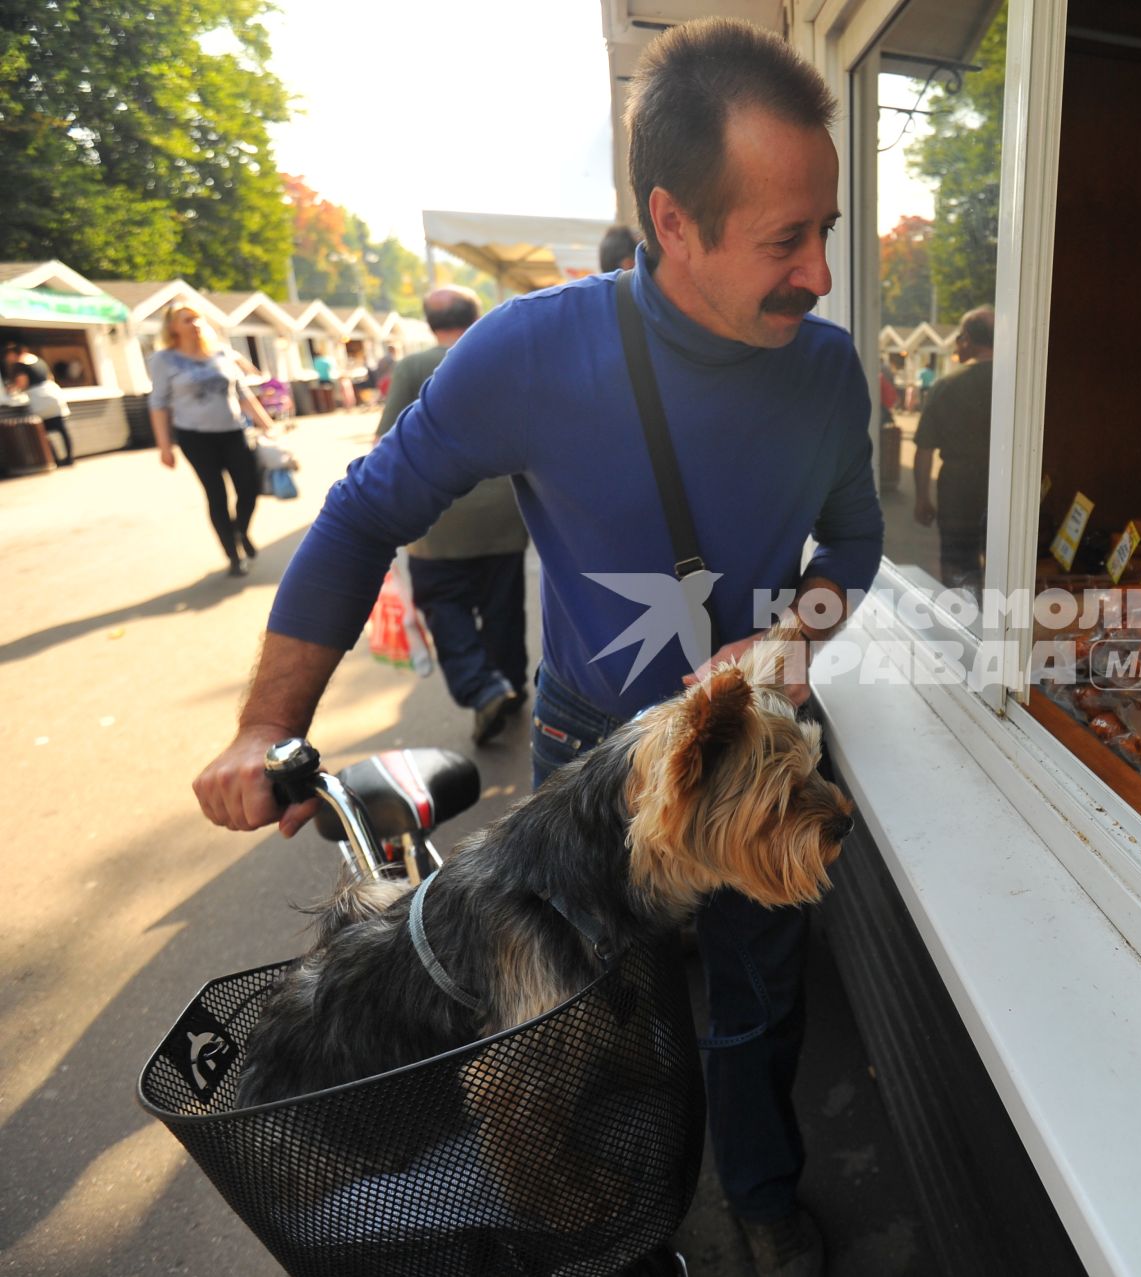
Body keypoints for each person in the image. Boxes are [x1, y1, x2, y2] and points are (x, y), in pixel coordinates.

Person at [190, 19, 880, 1277]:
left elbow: (855, 547)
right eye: (789, 238)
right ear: (674, 223)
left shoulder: (830, 377)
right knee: (590, 1012)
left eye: (825, 230)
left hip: (752, 764)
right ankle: (629, 1196)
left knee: (758, 1000)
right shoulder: (531, 350)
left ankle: (763, 1190)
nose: (822, 274)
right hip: (582, 769)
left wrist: (794, 631)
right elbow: (360, 516)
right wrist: (259, 725)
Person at [374, 287, 530, 745]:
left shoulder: (413, 367)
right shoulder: (504, 360)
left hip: (437, 516)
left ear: (428, 322)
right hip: (506, 509)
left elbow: (387, 445)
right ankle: (512, 685)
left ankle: (484, 689)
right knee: (503, 607)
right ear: (477, 315)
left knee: (445, 606)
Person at [149, 302, 279, 577]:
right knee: (217, 495)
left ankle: (240, 531)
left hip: (233, 431)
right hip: (195, 437)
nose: (194, 324)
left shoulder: (220, 353)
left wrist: (267, 425)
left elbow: (242, 394)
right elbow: (159, 403)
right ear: (172, 327)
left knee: (249, 487)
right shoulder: (164, 360)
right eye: (186, 320)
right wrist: (164, 447)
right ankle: (233, 555)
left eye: (197, 319)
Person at [913, 306, 993, 589]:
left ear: (967, 338)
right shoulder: (1015, 384)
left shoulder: (945, 386)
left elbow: (924, 450)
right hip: (1004, 486)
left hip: (958, 489)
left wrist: (922, 497)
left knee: (959, 563)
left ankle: (965, 621)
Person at [4, 341, 73, 466]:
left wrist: (9, 389)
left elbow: (21, 384)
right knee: (61, 429)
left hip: (40, 400)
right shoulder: (38, 360)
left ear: (13, 354)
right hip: (53, 395)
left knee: (43, 432)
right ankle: (69, 458)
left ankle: (55, 459)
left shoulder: (20, 365)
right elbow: (50, 377)